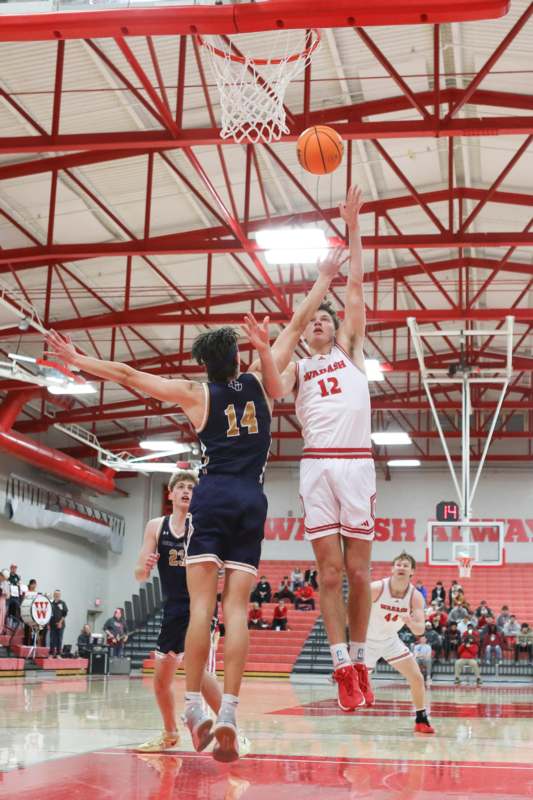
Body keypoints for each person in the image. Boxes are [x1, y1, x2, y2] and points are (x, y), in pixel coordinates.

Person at [47, 241, 341, 763]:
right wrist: (323, 277)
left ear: (205, 366)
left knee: (201, 607)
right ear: (236, 358)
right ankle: (227, 710)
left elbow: (130, 376)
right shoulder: (258, 378)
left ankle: (192, 707)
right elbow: (295, 326)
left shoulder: (196, 394)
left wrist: (78, 359)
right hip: (252, 498)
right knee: (238, 610)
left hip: (213, 494)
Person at [261, 186, 376, 712]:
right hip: (315, 467)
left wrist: (352, 228)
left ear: (336, 328)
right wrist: (268, 349)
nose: (318, 324)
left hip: (355, 465)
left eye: (322, 319)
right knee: (328, 575)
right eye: (311, 323)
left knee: (357, 574)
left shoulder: (351, 350)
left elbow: (354, 287)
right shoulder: (298, 367)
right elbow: (273, 389)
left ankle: (360, 657)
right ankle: (340, 667)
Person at [133, 470, 229, 754]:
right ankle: (170, 733)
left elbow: (220, 564)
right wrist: (146, 566)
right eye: (181, 487)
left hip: (200, 604)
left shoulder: (202, 525)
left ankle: (230, 729)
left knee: (195, 670)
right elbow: (138, 574)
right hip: (173, 608)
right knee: (161, 681)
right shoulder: (155, 526)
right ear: (171, 494)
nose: (187, 491)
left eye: (191, 488)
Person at [365, 552, 433, 733]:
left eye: (405, 565)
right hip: (366, 641)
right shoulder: (376, 588)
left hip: (390, 640)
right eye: (398, 564)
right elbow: (352, 612)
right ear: (392, 569)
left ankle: (421, 719)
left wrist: (410, 622)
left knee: (417, 678)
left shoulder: (415, 596)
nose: (401, 567)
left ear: (412, 572)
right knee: (359, 692)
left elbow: (420, 630)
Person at [49, 590, 68, 657]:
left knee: (59, 639)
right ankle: (51, 653)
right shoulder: (51, 604)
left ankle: (58, 654)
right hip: (52, 624)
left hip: (61, 624)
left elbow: (64, 614)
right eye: (56, 594)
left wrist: (60, 622)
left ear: (60, 595)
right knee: (52, 639)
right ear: (54, 595)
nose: (57, 596)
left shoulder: (62, 603)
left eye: (58, 595)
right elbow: (49, 614)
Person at [0, 569, 9, 634]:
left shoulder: (6, 583)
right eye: (2, 577)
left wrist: (3, 593)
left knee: (2, 616)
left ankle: (0, 630)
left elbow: (8, 595)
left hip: (2, 601)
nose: (3, 579)